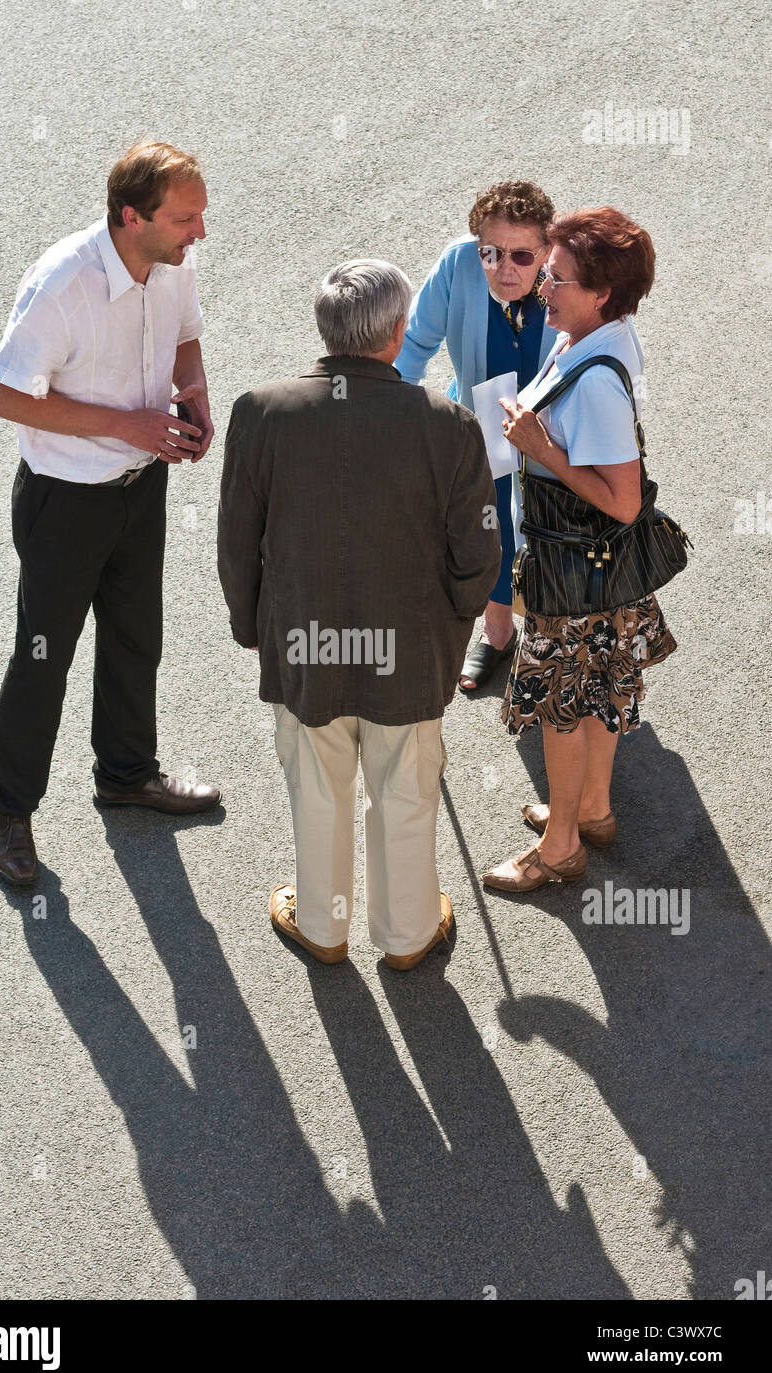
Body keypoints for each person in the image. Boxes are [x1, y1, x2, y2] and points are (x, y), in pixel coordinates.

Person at [217, 260, 501, 969]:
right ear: (399, 330)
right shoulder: (448, 425)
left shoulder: (261, 411)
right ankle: (407, 936)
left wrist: (256, 630)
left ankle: (321, 924)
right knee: (404, 789)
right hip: (408, 651)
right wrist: (452, 629)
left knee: (316, 786)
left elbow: (235, 542)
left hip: (303, 643)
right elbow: (478, 551)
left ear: (325, 328)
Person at [0, 140, 221, 887]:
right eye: (185, 218)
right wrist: (125, 426)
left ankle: (126, 775)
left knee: (134, 636)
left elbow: (183, 339)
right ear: (130, 217)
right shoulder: (63, 285)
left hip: (139, 486)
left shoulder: (173, 262)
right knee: (43, 657)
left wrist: (194, 396)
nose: (200, 232)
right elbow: (6, 395)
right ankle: (10, 811)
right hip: (65, 501)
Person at [480, 207, 676, 892]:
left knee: (559, 709)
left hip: (572, 574)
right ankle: (589, 809)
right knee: (594, 690)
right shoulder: (598, 335)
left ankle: (559, 846)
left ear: (603, 294)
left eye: (558, 279)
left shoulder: (594, 381)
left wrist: (543, 450)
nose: (543, 289)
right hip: (600, 575)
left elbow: (622, 500)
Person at [394, 179, 558, 690]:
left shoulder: (570, 276)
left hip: (551, 431)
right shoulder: (457, 264)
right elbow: (415, 344)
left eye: (522, 255)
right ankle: (498, 631)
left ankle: (552, 641)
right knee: (491, 529)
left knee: (550, 531)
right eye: (491, 252)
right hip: (479, 421)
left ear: (547, 252)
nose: (504, 268)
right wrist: (386, 416)